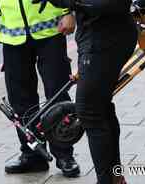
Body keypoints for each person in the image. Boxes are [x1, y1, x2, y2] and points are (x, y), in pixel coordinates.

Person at [32, 0, 138, 183]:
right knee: (101, 108)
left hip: (105, 40)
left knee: (90, 111)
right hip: (103, 36)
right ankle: (114, 177)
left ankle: (108, 180)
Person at [0, 0, 80, 177]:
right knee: (20, 99)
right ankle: (33, 155)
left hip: (51, 32)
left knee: (58, 96)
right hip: (12, 37)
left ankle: (64, 155)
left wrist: (68, 11)